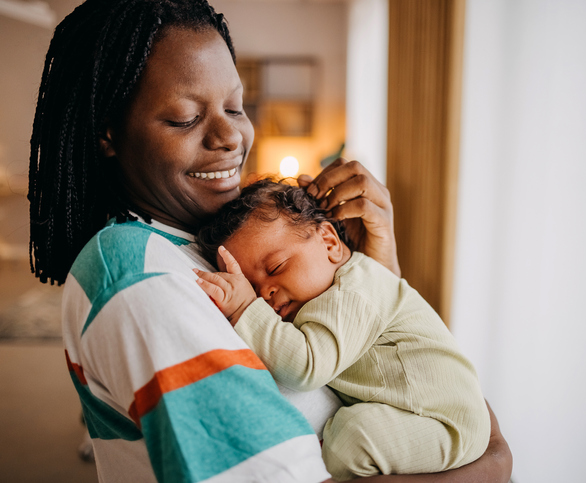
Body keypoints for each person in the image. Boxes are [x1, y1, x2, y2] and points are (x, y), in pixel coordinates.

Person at [27, 0, 512, 482]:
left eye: (236, 106)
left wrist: (374, 272)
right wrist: (491, 464)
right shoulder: (140, 280)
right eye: (183, 117)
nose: (230, 136)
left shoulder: (203, 240)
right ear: (108, 132)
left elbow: (407, 380)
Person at [193, 179, 491, 480]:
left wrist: (246, 308)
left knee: (352, 436)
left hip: (443, 420)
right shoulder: (327, 291)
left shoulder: (353, 291)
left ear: (330, 243)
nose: (265, 292)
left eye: (276, 267)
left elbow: (306, 365)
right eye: (253, 289)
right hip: (432, 416)